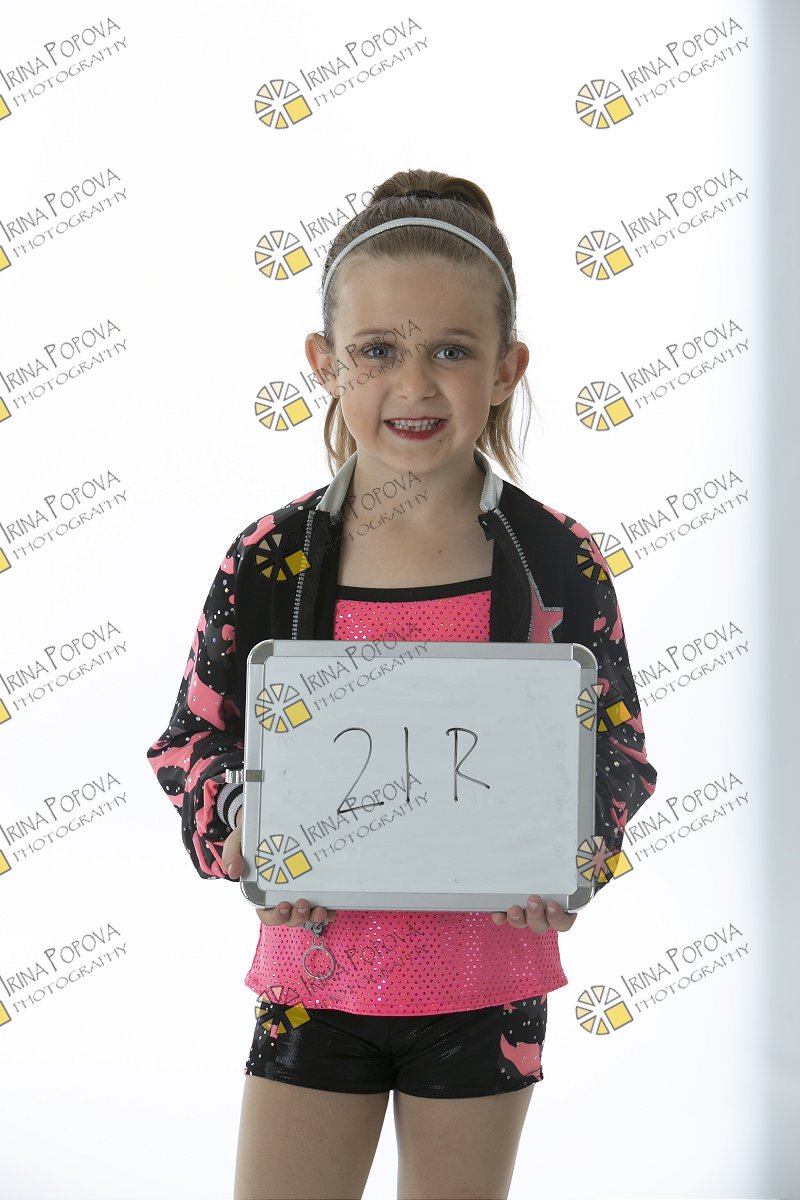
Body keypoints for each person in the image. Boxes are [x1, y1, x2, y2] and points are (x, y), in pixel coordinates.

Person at [145, 169, 658, 1200]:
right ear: (324, 363)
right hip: (313, 976)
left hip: (487, 985)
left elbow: (617, 753)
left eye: (451, 352)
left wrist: (575, 853)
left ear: (506, 369)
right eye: (378, 350)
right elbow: (191, 740)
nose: (414, 385)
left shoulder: (557, 560)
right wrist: (241, 820)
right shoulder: (273, 557)